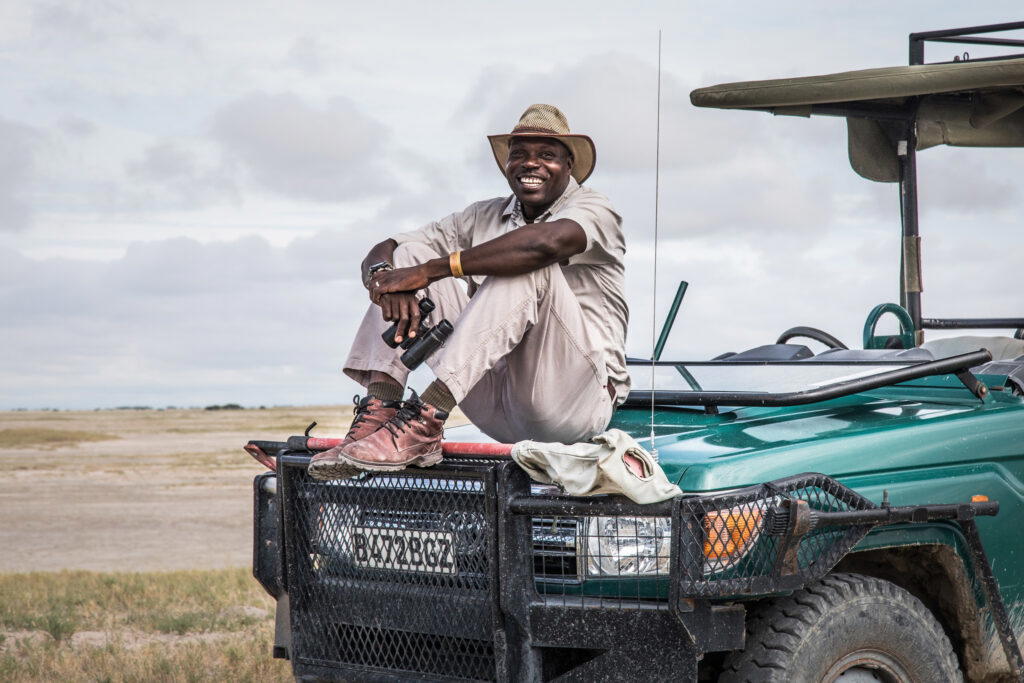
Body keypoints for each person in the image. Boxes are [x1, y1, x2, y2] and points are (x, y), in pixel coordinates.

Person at [309, 103, 629, 481]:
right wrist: (384, 277)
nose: (531, 164)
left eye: (547, 155)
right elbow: (393, 246)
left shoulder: (594, 208)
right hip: (492, 401)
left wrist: (430, 271)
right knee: (408, 255)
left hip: (572, 402)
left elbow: (543, 245)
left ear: (569, 166)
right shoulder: (483, 215)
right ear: (507, 164)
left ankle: (427, 416)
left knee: (521, 262)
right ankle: (381, 411)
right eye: (520, 154)